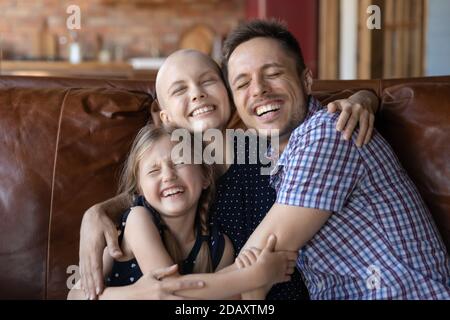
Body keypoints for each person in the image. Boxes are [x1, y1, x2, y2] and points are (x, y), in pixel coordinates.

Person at [77, 48, 380, 300]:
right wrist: (98, 211)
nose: (196, 94)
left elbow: (317, 123)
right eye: (180, 89)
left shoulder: (268, 145)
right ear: (165, 117)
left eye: (208, 81)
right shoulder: (171, 188)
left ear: (230, 92)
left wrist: (363, 99)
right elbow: (142, 195)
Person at [220, 19, 450, 299]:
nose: (258, 90)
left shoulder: (330, 130)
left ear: (306, 81)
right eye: (243, 83)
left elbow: (252, 271)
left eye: (273, 73)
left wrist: (161, 293)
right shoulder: (268, 156)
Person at [68, 125, 296, 300]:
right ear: (140, 189)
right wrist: (254, 276)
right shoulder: (138, 220)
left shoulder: (219, 247)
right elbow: (171, 294)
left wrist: (249, 284)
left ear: (206, 176)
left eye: (180, 162)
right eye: (154, 170)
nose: (168, 176)